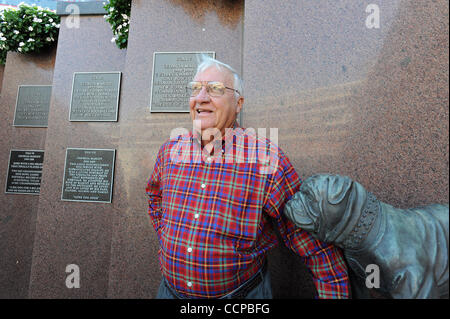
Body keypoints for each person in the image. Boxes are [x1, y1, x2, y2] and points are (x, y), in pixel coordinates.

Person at [146, 56, 349, 299]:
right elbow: (154, 197)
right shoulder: (169, 151)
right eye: (195, 88)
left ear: (239, 103)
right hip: (169, 293)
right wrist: (170, 237)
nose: (200, 97)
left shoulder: (266, 159)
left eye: (215, 89)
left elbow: (308, 239)